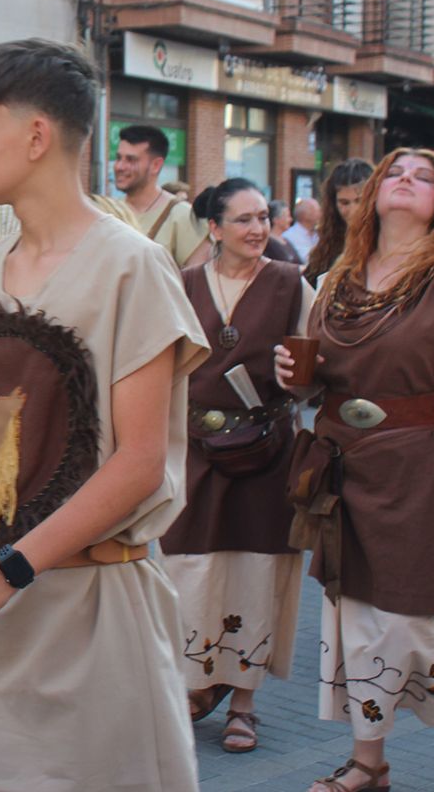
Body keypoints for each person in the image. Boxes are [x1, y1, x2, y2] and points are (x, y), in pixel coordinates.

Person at [0, 40, 206, 791]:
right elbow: (0, 430)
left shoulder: (131, 264)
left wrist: (14, 569)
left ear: (36, 136)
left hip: (81, 608)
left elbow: (137, 463)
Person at [274, 148, 434, 792]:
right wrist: (290, 377)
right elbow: (310, 384)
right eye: (394, 174)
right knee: (357, 615)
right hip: (346, 461)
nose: (405, 182)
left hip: (430, 467)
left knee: (416, 617)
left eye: (423, 178)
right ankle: (370, 762)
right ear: (374, 194)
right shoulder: (337, 280)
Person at [160, 178, 312, 753]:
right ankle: (193, 685)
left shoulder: (293, 284)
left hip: (268, 450)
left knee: (257, 570)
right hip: (196, 449)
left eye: (263, 218)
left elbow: (316, 370)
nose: (258, 230)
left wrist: (298, 375)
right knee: (190, 569)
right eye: (243, 220)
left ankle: (243, 704)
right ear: (214, 229)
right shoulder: (183, 283)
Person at [114, 124, 209, 266]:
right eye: (118, 158)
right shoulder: (108, 211)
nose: (120, 166)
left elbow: (197, 281)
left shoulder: (182, 215)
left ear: (156, 165)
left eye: (131, 160)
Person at [301, 159, 375, 284]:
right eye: (344, 203)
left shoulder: (387, 243)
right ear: (333, 205)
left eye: (360, 201)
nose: (353, 210)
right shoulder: (327, 248)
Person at [285, 198, 321, 264]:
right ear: (307, 214)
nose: (321, 214)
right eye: (318, 211)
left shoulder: (318, 234)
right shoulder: (290, 236)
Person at [265, 199, 300, 263]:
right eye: (287, 216)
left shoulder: (286, 240)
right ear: (276, 219)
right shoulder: (268, 243)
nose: (290, 220)